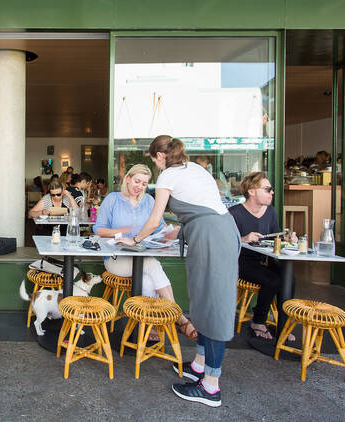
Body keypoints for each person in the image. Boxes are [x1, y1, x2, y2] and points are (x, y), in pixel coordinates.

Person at [119, 135, 239, 408]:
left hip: (211, 238)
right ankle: (199, 366)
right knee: (202, 302)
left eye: (153, 160)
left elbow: (154, 218)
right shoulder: (196, 169)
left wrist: (135, 240)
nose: (156, 166)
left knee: (214, 306)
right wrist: (178, 232)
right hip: (217, 233)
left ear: (160, 157)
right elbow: (205, 209)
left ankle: (211, 387)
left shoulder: (168, 176)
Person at [94, 164, 196, 340]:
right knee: (152, 264)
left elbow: (160, 228)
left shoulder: (149, 201)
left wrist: (172, 232)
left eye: (144, 183)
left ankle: (149, 325)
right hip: (116, 259)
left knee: (148, 282)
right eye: (137, 181)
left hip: (141, 257)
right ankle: (179, 318)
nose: (139, 186)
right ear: (128, 179)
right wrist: (122, 231)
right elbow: (99, 230)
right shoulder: (112, 199)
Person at [228, 172, 298, 340]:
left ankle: (283, 324)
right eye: (268, 189)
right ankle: (258, 321)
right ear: (252, 191)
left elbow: (275, 237)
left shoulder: (271, 211)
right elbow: (224, 242)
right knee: (273, 280)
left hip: (264, 259)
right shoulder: (234, 213)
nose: (272, 193)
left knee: (289, 279)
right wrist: (244, 239)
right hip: (241, 262)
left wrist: (287, 239)